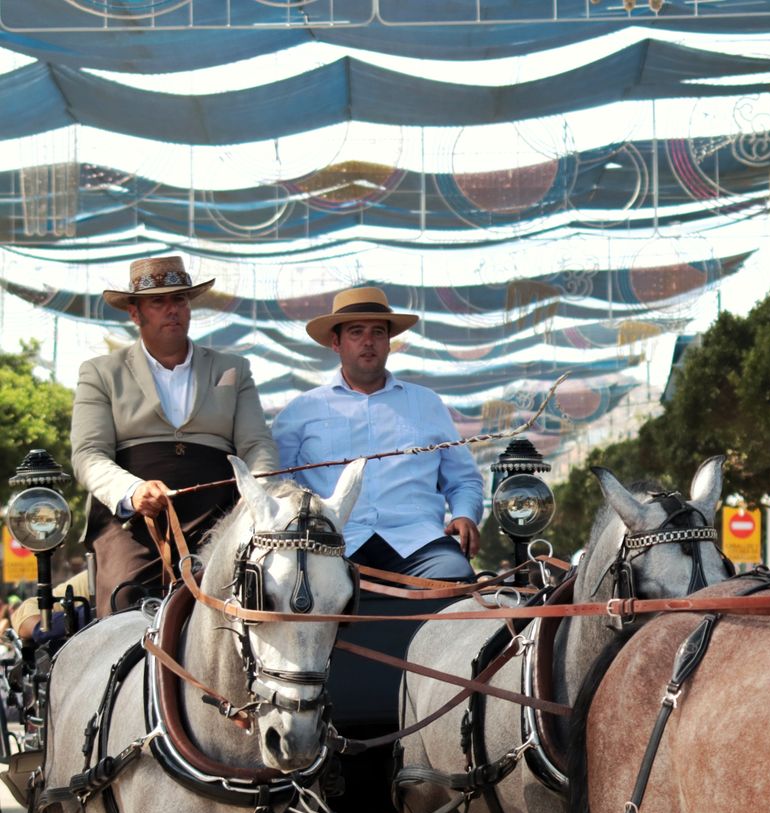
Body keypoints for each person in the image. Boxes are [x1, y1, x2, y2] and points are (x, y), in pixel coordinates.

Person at [70, 256, 278, 617]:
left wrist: (257, 495)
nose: (173, 310)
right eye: (159, 302)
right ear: (135, 314)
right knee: (125, 601)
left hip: (223, 513)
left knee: (259, 594)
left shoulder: (233, 369)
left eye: (179, 300)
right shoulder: (101, 372)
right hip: (133, 524)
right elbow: (88, 454)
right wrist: (132, 491)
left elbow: (257, 445)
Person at [273, 287, 482, 581]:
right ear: (336, 343)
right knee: (310, 594)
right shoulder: (301, 410)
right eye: (356, 332)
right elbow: (275, 484)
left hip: (419, 543)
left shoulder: (426, 403)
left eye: (378, 333)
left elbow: (463, 480)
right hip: (331, 546)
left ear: (389, 342)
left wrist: (464, 515)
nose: (368, 342)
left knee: (455, 578)